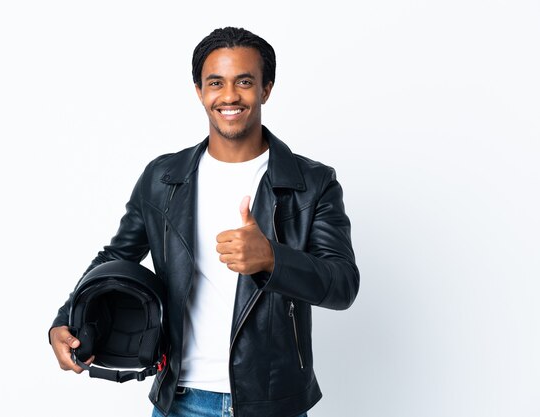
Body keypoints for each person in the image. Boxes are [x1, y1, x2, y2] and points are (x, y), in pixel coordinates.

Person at [49, 26, 360, 417]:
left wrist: (272, 259)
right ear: (200, 91)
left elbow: (343, 285)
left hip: (273, 403)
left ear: (266, 89)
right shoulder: (163, 179)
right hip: (180, 399)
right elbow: (116, 255)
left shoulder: (312, 183)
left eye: (244, 82)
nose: (229, 95)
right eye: (216, 82)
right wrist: (64, 320)